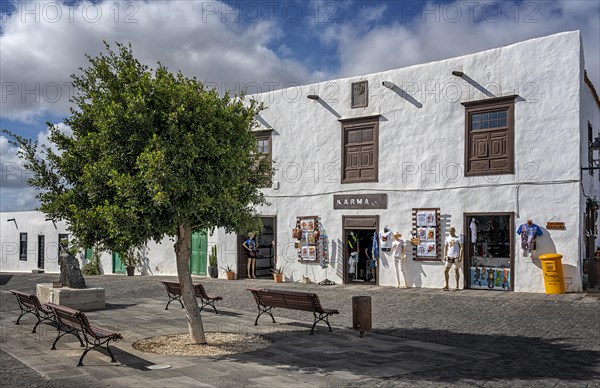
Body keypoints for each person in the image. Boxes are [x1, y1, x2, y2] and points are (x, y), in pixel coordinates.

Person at [443, 227, 463, 291]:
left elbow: (461, 247)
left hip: (456, 256)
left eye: (451, 231)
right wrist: (445, 255)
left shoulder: (458, 239)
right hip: (449, 256)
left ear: (454, 231)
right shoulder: (447, 239)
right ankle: (447, 285)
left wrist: (460, 256)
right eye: (449, 231)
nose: (450, 232)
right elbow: (445, 247)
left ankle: (457, 286)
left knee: (456, 270)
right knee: (445, 270)